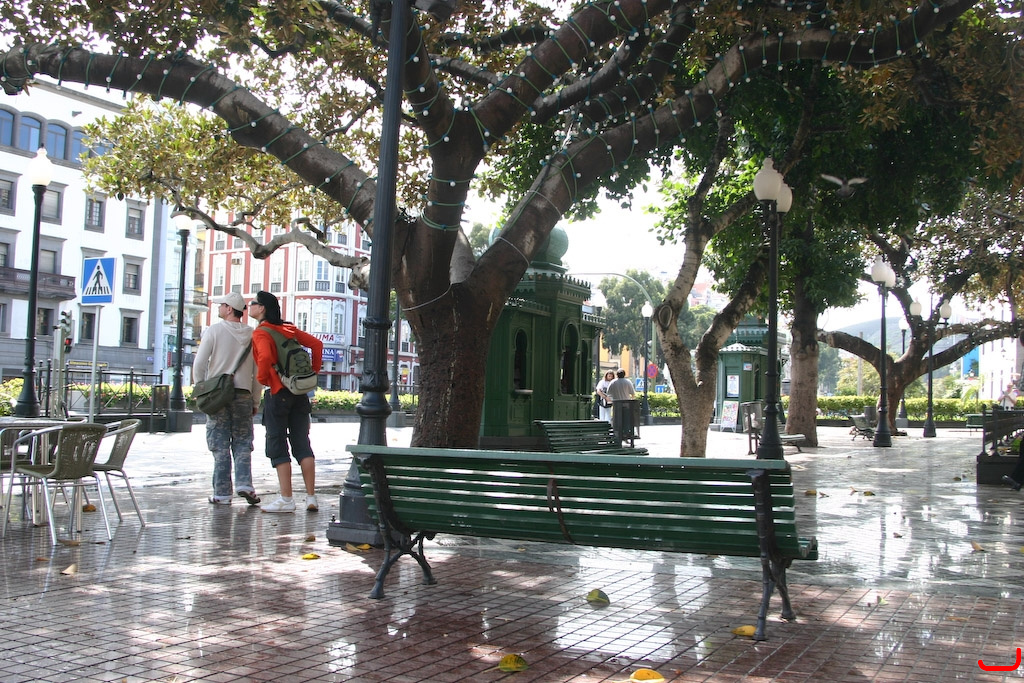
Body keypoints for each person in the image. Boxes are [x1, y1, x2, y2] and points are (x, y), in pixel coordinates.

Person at [249, 291, 324, 513]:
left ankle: (286, 499)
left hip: (278, 392)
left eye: (253, 303)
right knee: (302, 443)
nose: (249, 306)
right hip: (299, 393)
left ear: (262, 308)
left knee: (278, 444)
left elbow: (264, 358)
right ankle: (311, 497)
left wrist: (263, 379)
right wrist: (312, 373)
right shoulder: (289, 329)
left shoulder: (261, 332)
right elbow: (317, 345)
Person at [192, 292, 263, 506]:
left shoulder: (214, 331)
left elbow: (199, 364)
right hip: (243, 394)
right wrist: (255, 401)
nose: (219, 308)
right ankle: (245, 484)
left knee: (219, 442)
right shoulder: (252, 335)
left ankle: (222, 493)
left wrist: (201, 388)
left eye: (222, 305)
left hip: (218, 395)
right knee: (243, 441)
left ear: (229, 308)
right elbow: (257, 373)